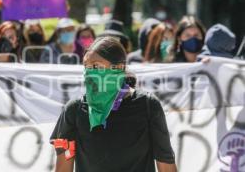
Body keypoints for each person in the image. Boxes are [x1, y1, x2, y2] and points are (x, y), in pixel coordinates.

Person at [50, 36, 177, 172]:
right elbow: (63, 168)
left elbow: (166, 164)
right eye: (86, 66)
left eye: (96, 66)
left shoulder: (148, 105)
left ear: (119, 67)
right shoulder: (74, 109)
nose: (90, 72)